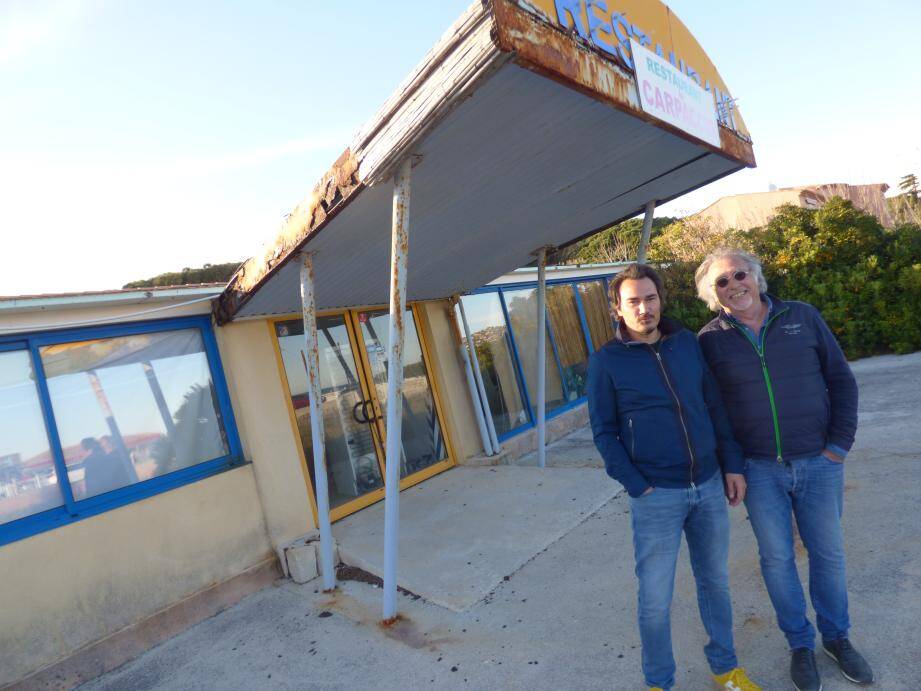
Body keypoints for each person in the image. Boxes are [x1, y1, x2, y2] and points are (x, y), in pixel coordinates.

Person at [696, 248, 872, 691]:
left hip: (818, 460)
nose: (734, 285)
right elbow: (715, 412)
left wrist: (838, 445)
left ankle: (836, 638)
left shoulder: (803, 316)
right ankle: (800, 645)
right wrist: (731, 467)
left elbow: (841, 380)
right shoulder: (710, 340)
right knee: (776, 560)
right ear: (711, 295)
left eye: (740, 274)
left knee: (828, 556)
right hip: (758, 471)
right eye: (722, 281)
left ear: (755, 278)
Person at [587, 263, 759, 691]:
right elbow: (603, 431)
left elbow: (714, 405)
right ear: (617, 309)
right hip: (656, 495)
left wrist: (731, 464)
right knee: (654, 601)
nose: (643, 308)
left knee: (715, 584)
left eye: (650, 298)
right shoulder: (606, 362)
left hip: (707, 484)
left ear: (660, 300)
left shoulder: (686, 345)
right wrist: (636, 484)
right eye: (633, 301)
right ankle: (659, 682)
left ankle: (726, 669)